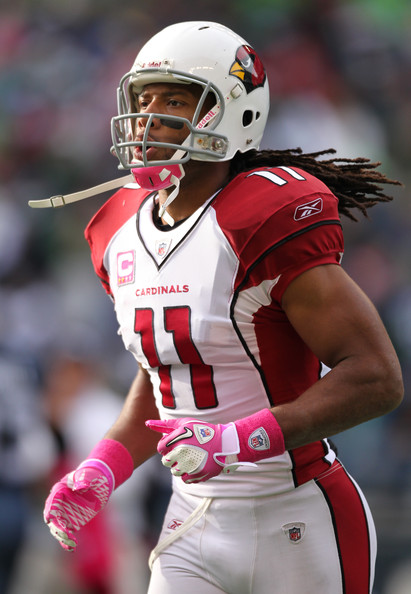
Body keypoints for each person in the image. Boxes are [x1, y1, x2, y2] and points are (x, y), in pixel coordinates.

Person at [41, 21, 404, 594]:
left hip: (296, 516)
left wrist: (240, 438)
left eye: (174, 100)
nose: (148, 116)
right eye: (144, 98)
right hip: (192, 519)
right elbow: (169, 373)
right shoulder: (119, 229)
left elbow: (376, 377)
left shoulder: (261, 216)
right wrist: (104, 464)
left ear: (230, 112)